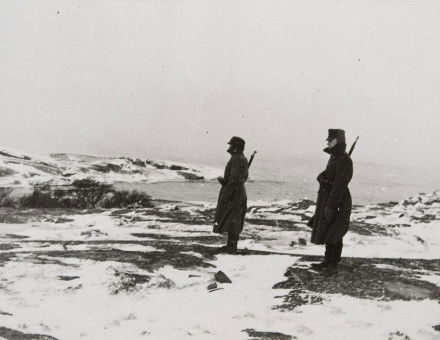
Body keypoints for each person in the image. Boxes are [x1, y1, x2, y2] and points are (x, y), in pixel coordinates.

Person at [308, 129, 353, 273]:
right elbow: (328, 175)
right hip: (330, 199)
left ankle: (333, 264)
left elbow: (340, 185)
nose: (327, 141)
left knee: (335, 233)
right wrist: (322, 178)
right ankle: (327, 261)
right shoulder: (334, 157)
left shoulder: (345, 160)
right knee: (329, 230)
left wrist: (331, 206)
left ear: (337, 141)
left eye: (330, 139)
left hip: (338, 200)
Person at [213, 136, 248, 253]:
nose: (229, 147)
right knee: (234, 219)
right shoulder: (241, 158)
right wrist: (225, 181)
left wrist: (226, 195)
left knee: (233, 219)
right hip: (238, 192)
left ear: (236, 147)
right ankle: (231, 245)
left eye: (231, 145)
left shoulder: (237, 159)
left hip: (234, 193)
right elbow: (242, 178)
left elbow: (234, 180)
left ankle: (231, 246)